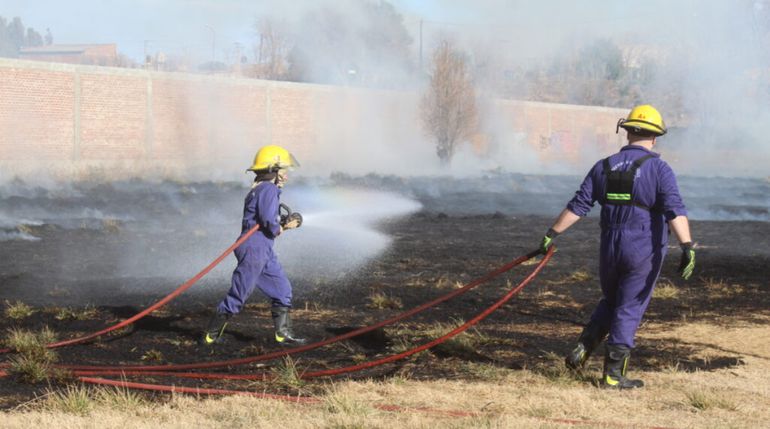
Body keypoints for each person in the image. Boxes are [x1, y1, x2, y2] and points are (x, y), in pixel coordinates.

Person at [539, 105, 696, 389]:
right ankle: (613, 375)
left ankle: (582, 348)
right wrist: (687, 247)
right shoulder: (659, 169)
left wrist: (551, 234)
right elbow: (675, 210)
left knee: (612, 301)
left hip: (610, 247)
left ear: (627, 132)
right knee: (630, 306)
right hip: (643, 247)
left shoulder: (603, 166)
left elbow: (579, 205)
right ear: (655, 137)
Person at [201, 145, 306, 346]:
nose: (286, 176)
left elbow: (267, 219)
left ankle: (283, 335)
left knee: (282, 289)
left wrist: (280, 224)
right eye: (283, 171)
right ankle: (210, 337)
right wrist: (284, 226)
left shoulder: (262, 189)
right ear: (272, 170)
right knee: (239, 294)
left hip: (263, 249)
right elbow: (268, 220)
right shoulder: (269, 189)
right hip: (253, 250)